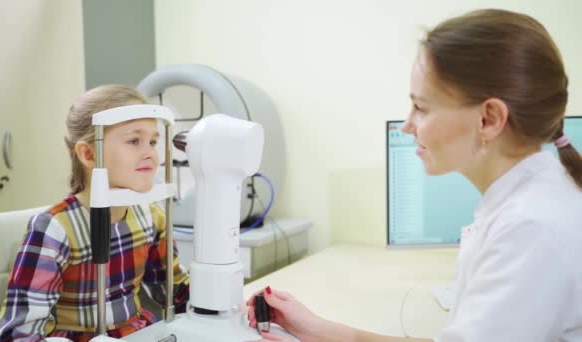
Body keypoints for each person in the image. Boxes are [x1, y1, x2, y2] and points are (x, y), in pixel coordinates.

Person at [247, 8, 582, 342]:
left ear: (489, 118)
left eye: (421, 107)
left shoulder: (530, 228)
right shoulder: (532, 201)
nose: (407, 125)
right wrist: (328, 334)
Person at [0, 85, 189, 342]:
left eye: (153, 141)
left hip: (136, 333)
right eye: (134, 141)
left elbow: (175, 292)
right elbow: (17, 335)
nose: (151, 153)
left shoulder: (152, 216)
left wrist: (226, 301)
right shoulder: (53, 230)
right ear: (88, 154)